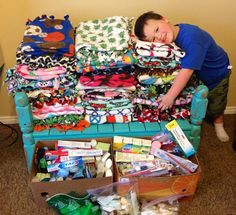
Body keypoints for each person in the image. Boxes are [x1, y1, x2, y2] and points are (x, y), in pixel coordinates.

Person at [134, 11, 231, 142]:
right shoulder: (173, 34)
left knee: (216, 103)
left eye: (157, 29)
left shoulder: (192, 38)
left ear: (164, 19)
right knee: (200, 99)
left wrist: (170, 97)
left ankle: (219, 124)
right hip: (199, 73)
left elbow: (187, 70)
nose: (159, 37)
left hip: (217, 73)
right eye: (153, 39)